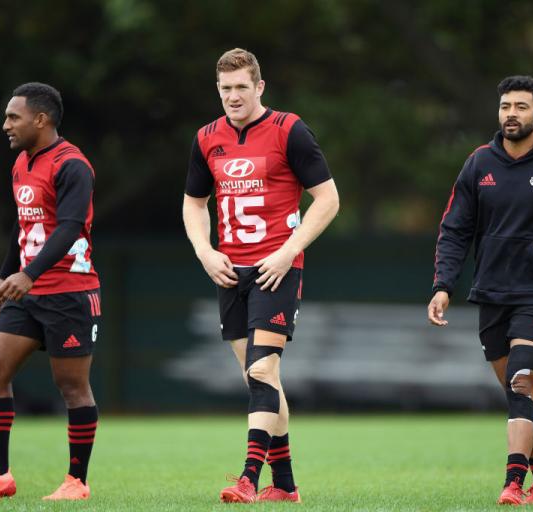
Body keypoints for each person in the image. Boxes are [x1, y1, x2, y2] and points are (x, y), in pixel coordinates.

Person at [183, 48, 339, 503]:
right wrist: (204, 251)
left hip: (277, 269)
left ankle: (248, 478)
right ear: (218, 89)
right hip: (230, 272)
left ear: (259, 87)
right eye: (226, 88)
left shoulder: (289, 130)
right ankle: (285, 485)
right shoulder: (206, 137)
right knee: (261, 381)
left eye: (241, 87)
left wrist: (288, 252)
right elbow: (195, 202)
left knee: (262, 367)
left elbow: (327, 199)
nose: (233, 96)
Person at [0, 82, 101, 501]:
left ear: (41, 119)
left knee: (71, 387)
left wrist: (27, 274)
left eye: (14, 117)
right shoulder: (21, 163)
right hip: (28, 290)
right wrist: (4, 275)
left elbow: (69, 227)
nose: (6, 125)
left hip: (70, 291)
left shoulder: (73, 165)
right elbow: (25, 224)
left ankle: (76, 482)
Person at [429, 75, 533, 505]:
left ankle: (513, 483)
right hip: (492, 295)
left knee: (522, 381)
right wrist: (443, 285)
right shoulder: (479, 163)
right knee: (523, 394)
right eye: (505, 107)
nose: (511, 114)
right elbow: (455, 229)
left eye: (520, 106)